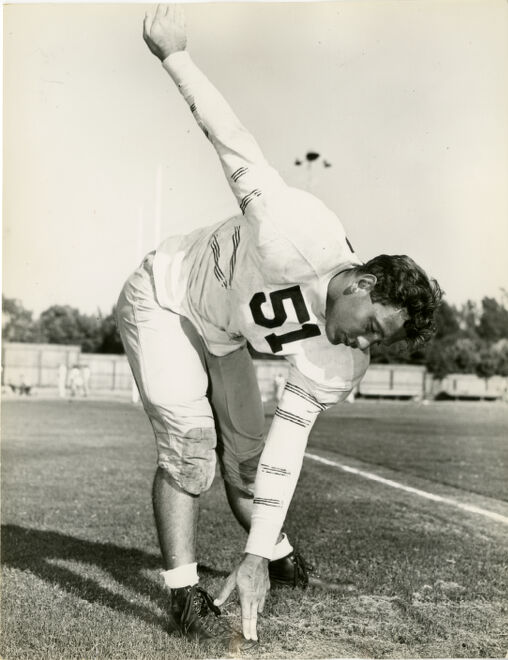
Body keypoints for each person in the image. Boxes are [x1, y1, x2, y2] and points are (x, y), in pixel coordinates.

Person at [118, 4, 442, 645]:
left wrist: (257, 551)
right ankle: (183, 592)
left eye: (381, 340)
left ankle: (276, 550)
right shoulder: (295, 232)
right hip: (164, 295)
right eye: (373, 326)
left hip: (222, 334)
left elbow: (288, 447)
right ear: (362, 281)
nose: (365, 344)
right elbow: (233, 139)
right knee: (189, 449)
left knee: (246, 465)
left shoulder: (341, 359)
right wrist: (176, 55)